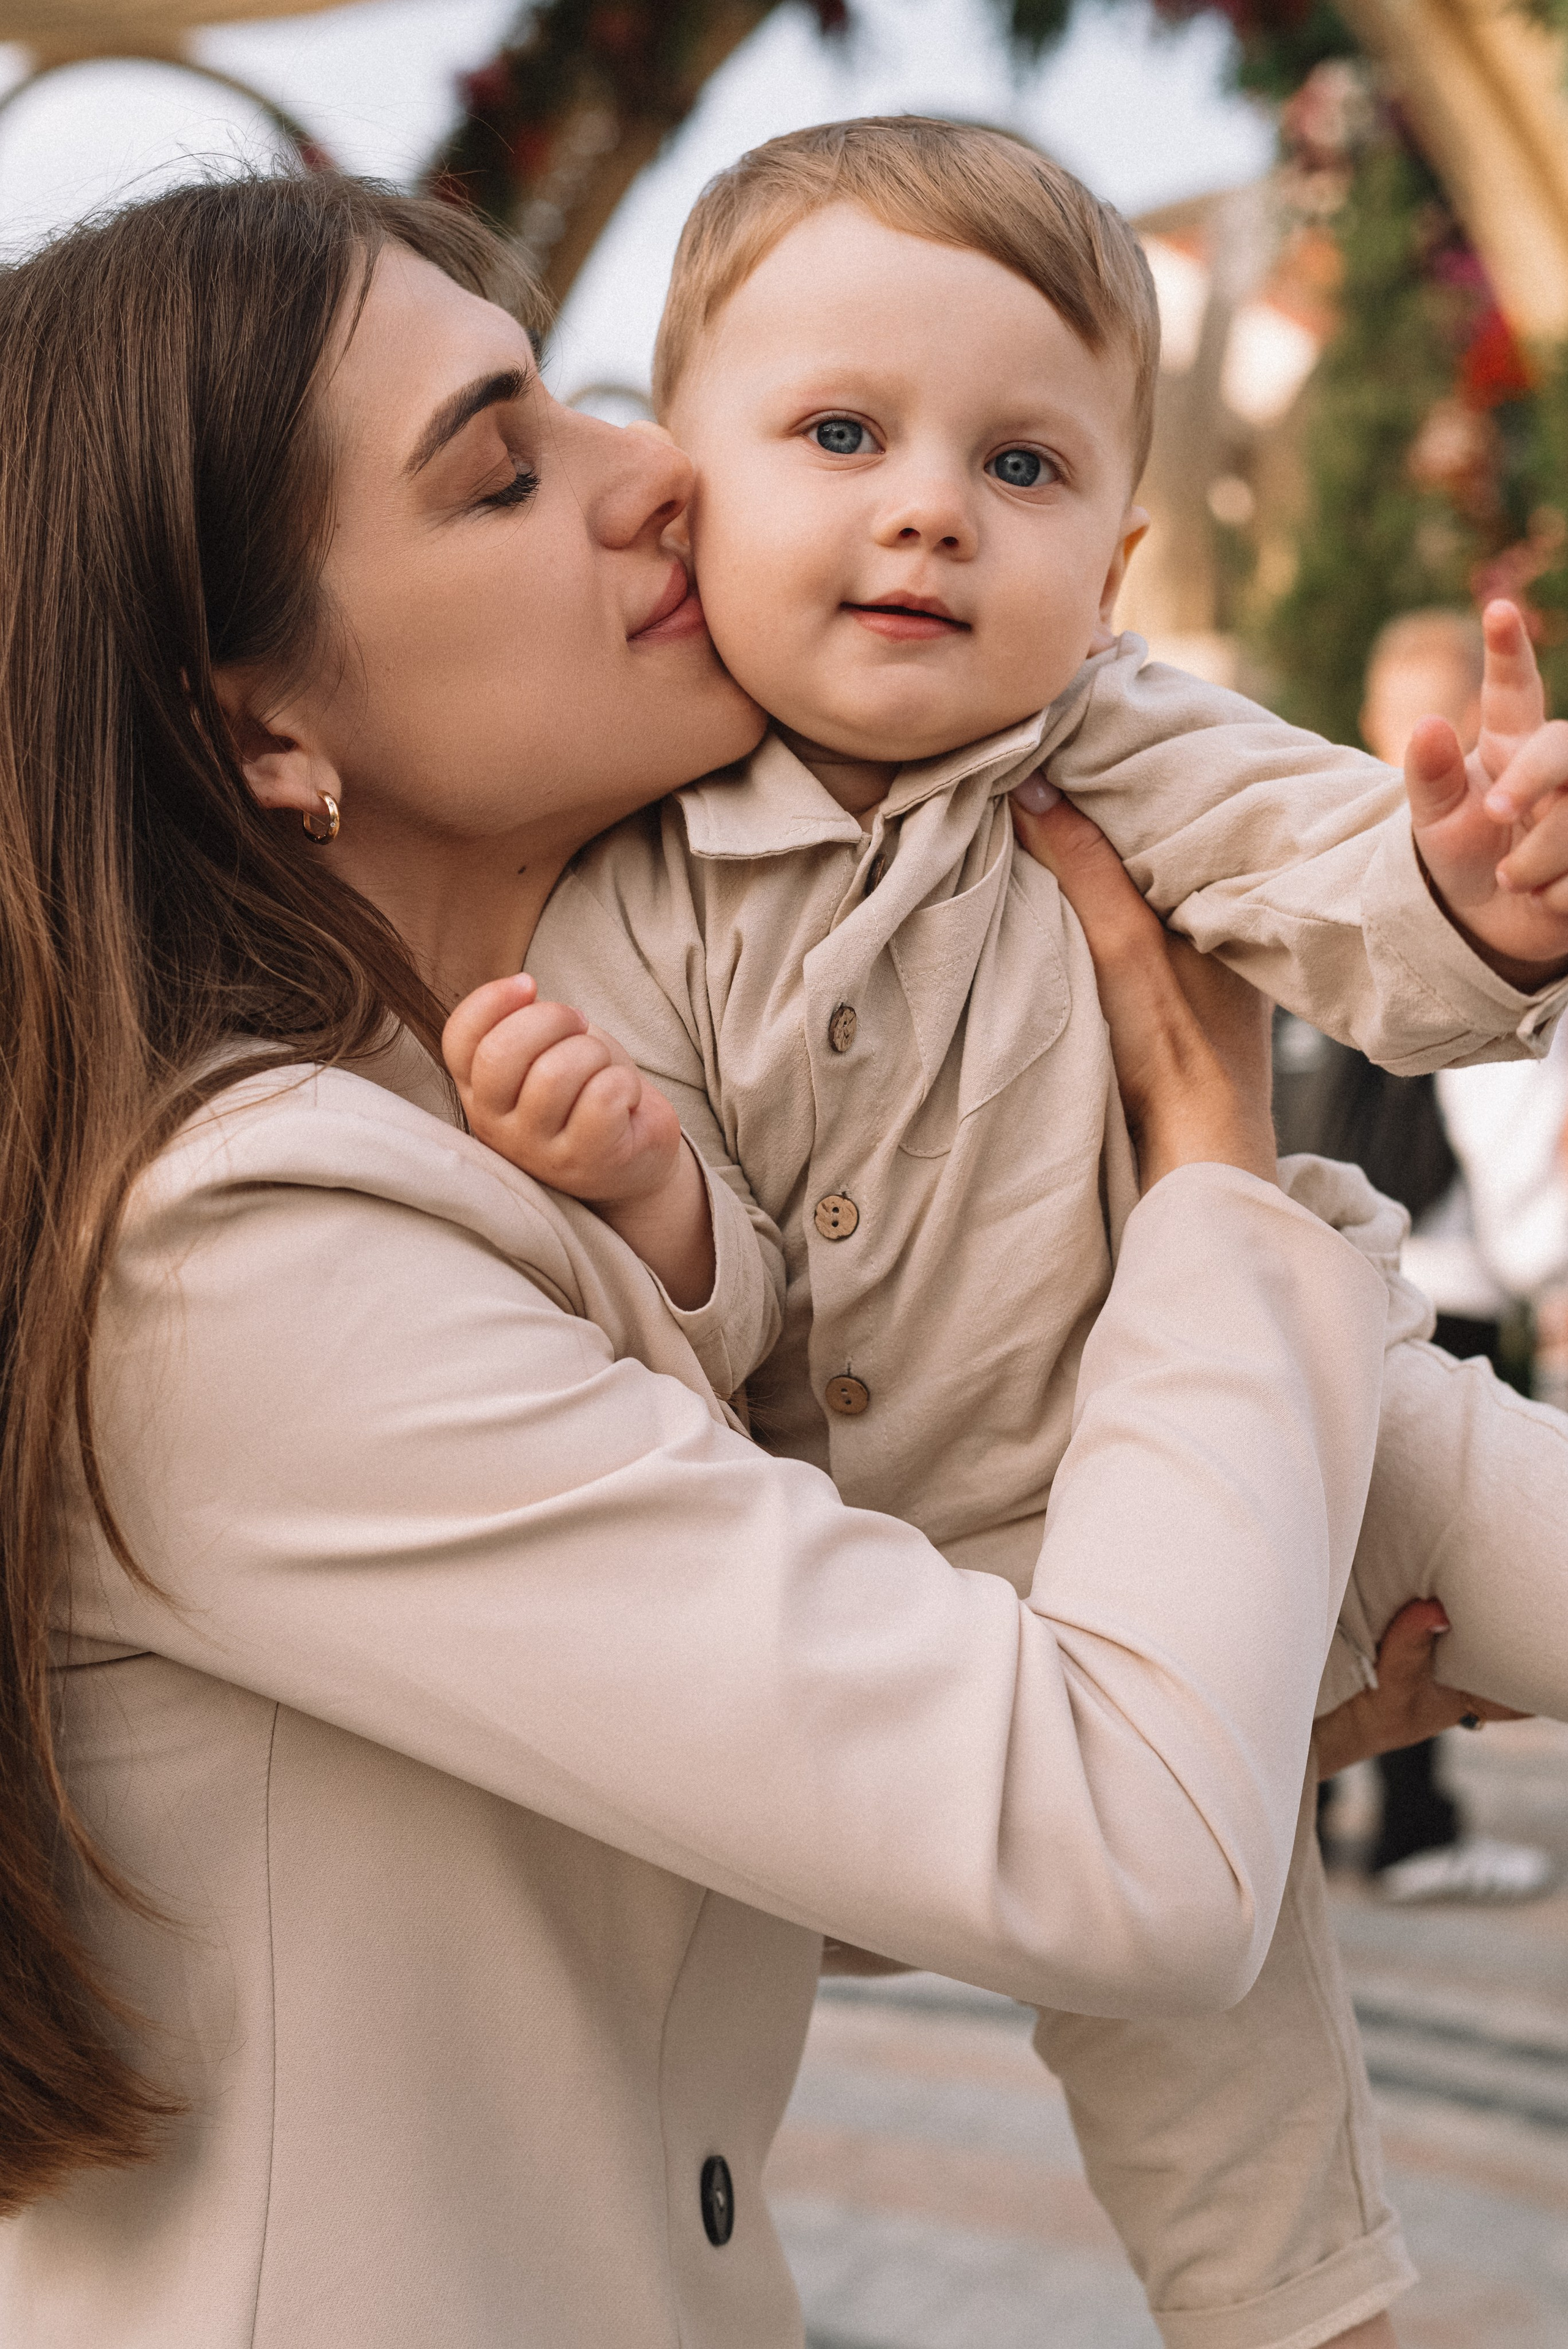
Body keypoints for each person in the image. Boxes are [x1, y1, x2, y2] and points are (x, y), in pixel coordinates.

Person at [0, 172, 1415, 2349]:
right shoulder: (240, 1257)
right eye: (505, 472)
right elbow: (1116, 1857)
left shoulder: (492, 1148)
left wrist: (1222, 1688)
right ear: (264, 726)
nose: (657, 469)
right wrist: (1212, 1164)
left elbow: (668, 1850)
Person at [480, 118, 1568, 2349]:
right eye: (844, 433)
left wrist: (1467, 890)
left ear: (1120, 552)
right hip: (1016, 1590)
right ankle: (1316, 2323)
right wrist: (648, 1187)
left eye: (1027, 465)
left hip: (1322, 1414)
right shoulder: (629, 887)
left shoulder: (1122, 740)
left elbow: (1329, 878)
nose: (928, 507)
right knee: (1195, 2011)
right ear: (680, 496)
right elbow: (700, 1316)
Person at [1286, 608, 1554, 1902]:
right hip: (1436, 1278)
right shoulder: (1476, 903)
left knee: (1320, 1563)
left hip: (1322, 1268)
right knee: (1417, 1578)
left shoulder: (1330, 869)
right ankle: (1409, 1823)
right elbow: (1506, 1143)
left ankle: (1317, 1799)